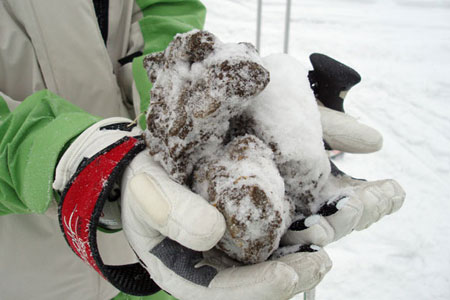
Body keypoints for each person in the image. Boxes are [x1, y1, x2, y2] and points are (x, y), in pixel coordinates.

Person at [0, 1, 405, 299]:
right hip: (30, 269)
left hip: (167, 250)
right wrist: (75, 157)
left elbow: (162, 8)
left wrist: (179, 96)